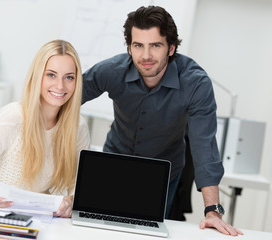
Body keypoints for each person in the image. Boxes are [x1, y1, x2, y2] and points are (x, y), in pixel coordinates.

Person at [81, 6, 243, 236]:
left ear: (171, 48)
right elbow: (65, 97)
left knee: (148, 233)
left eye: (155, 45)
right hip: (112, 164)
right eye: (138, 45)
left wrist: (212, 211)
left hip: (162, 173)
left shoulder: (195, 83)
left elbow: (204, 147)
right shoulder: (112, 71)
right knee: (96, 231)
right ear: (129, 47)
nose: (146, 56)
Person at [0, 40, 90, 218]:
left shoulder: (78, 128)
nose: (60, 86)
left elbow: (82, 188)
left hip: (40, 225)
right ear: (37, 77)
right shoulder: (12, 118)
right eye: (51, 75)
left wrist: (70, 201)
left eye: (69, 77)